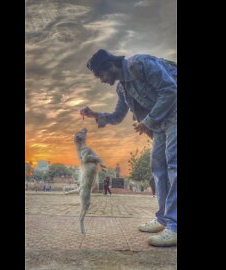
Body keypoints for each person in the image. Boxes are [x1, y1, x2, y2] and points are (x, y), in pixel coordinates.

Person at [81, 49, 177, 247]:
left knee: (173, 165)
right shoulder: (123, 89)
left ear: (110, 65)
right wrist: (95, 114)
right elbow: (117, 116)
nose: (100, 79)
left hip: (173, 113)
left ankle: (174, 226)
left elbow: (170, 90)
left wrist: (148, 121)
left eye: (100, 75)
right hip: (159, 123)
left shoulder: (141, 64)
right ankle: (163, 219)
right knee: (158, 169)